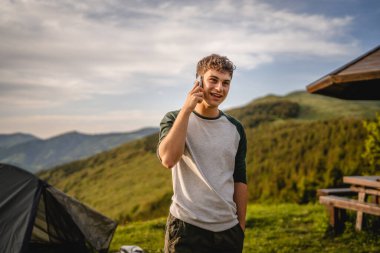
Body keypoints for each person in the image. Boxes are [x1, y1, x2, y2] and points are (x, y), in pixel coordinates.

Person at [157, 54, 247, 253]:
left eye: (226, 83)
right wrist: (187, 110)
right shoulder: (174, 118)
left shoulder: (235, 128)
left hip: (228, 232)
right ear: (198, 82)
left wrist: (240, 227)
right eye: (213, 80)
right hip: (186, 229)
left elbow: (239, 179)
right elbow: (169, 159)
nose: (219, 88)